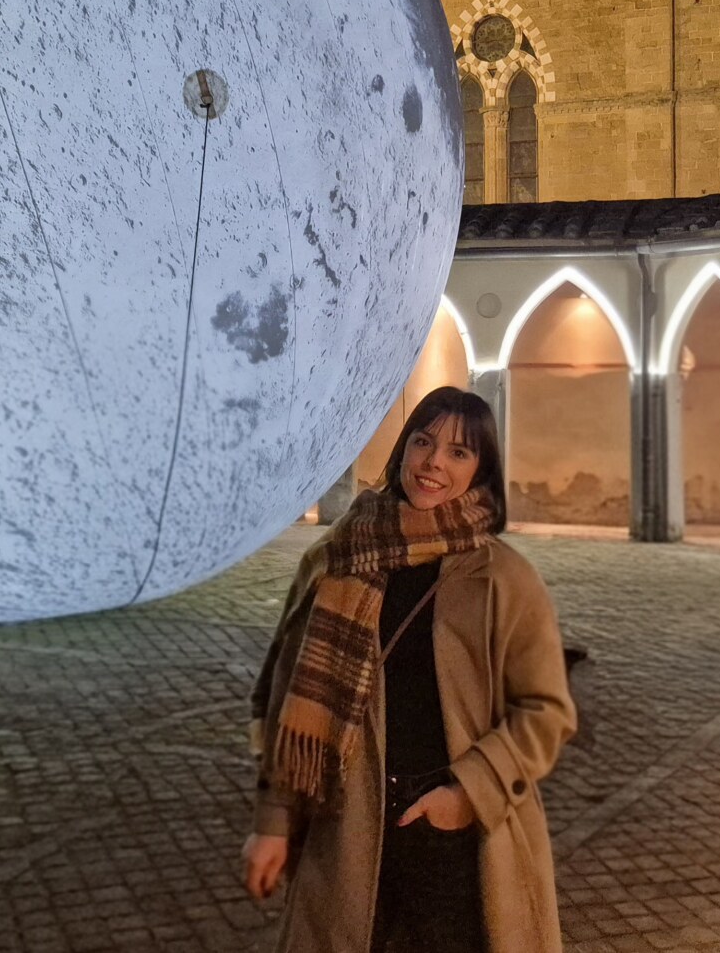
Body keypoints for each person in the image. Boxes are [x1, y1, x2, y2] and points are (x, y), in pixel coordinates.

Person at [241, 386, 576, 953]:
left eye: (459, 452)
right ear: (402, 448)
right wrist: (274, 821)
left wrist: (468, 794)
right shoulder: (336, 557)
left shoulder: (503, 579)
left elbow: (545, 712)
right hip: (347, 831)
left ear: (482, 471)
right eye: (423, 441)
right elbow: (282, 695)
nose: (434, 464)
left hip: (459, 841)